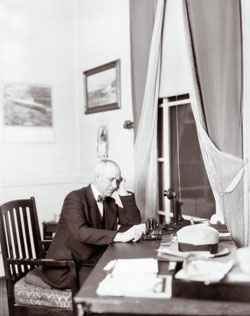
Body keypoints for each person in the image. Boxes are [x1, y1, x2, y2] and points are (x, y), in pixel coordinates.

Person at [40, 159, 145, 289]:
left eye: (117, 181)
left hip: (91, 260)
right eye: (110, 179)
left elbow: (133, 220)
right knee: (110, 285)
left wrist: (122, 191)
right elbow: (81, 232)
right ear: (97, 176)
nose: (114, 185)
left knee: (124, 276)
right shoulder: (75, 198)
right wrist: (120, 236)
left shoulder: (109, 202)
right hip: (67, 268)